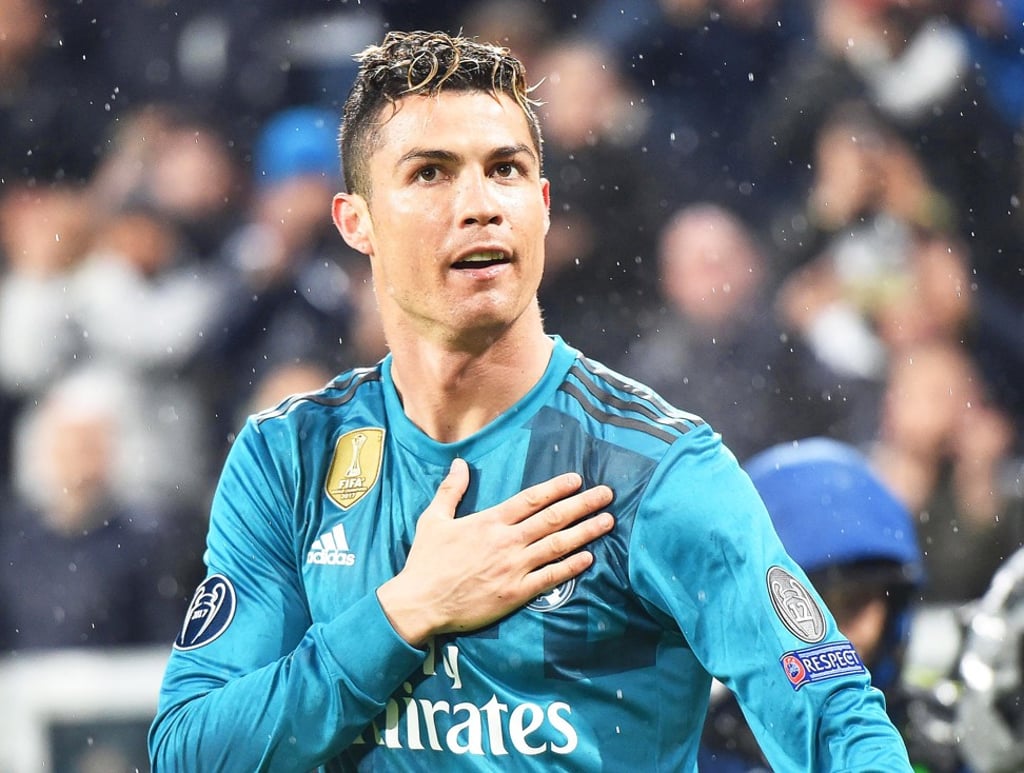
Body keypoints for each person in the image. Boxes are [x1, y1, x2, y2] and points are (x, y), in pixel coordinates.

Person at [148, 30, 912, 770]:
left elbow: (836, 721)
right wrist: (405, 611)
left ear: (542, 205)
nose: (479, 203)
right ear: (357, 221)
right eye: (430, 173)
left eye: (506, 169)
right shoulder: (290, 456)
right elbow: (190, 752)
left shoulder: (654, 469)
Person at [698, 437, 962, 772]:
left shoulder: (944, 747)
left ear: (894, 607)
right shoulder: (684, 750)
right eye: (806, 608)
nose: (831, 637)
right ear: (748, 614)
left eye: (855, 603)